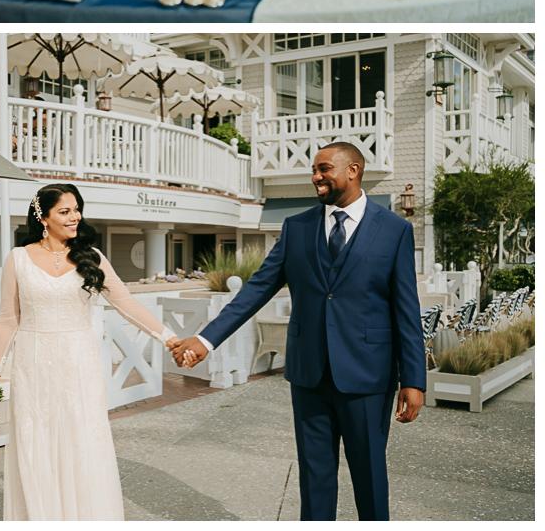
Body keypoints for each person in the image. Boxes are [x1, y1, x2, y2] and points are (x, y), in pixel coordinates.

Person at [171, 142, 426, 521]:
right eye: (314, 169)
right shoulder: (297, 227)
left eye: (324, 169)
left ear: (353, 170)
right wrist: (207, 339)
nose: (316, 177)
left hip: (368, 376)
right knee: (314, 476)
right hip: (309, 375)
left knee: (370, 474)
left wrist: (414, 379)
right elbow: (257, 288)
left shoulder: (394, 230)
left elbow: (406, 310)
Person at [0, 183, 179, 520]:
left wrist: (170, 338)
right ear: (43, 217)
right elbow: (7, 319)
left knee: (82, 442)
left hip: (79, 362)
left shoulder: (92, 258)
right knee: (36, 443)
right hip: (33, 363)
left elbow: (127, 303)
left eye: (77, 210)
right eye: (65, 211)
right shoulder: (18, 259)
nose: (74, 217)